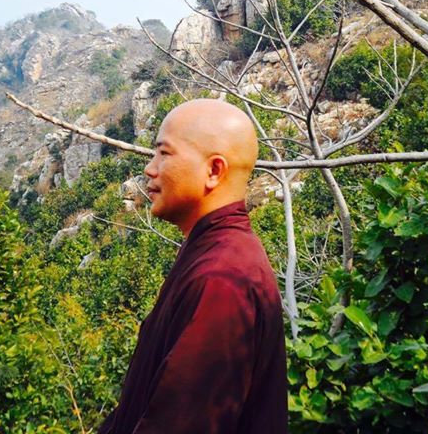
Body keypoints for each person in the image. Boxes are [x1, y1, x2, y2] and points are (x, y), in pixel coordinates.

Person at [97, 98, 288, 434]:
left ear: (214, 171)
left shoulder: (223, 280)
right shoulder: (210, 251)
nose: (150, 169)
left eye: (164, 153)